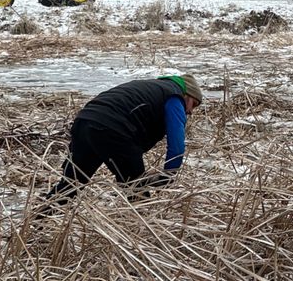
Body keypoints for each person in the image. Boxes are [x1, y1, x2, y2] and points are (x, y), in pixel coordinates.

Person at [45, 74, 203, 205]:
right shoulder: (174, 97)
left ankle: (34, 224)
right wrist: (168, 176)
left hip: (84, 122)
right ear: (186, 94)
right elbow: (177, 146)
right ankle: (141, 237)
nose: (190, 111)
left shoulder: (149, 87)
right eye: (193, 104)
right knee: (137, 193)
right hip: (114, 130)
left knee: (70, 185)